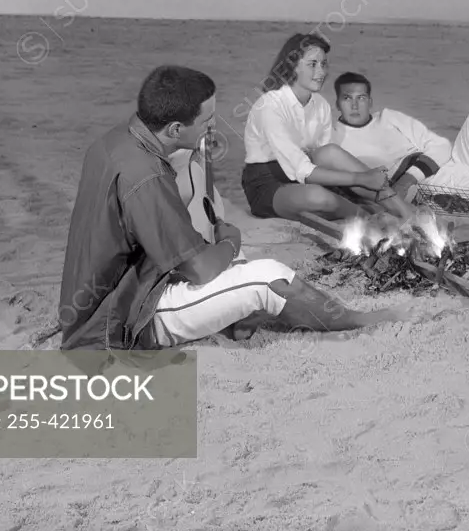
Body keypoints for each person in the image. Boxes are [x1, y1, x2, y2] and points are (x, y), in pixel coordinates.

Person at [58, 65, 410, 351]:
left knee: (229, 260)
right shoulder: (145, 177)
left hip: (122, 288)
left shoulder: (118, 140)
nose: (213, 126)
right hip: (126, 317)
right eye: (206, 120)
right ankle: (352, 321)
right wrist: (230, 240)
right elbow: (198, 270)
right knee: (268, 277)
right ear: (176, 127)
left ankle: (237, 319)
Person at [241, 34, 415, 226]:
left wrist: (361, 180)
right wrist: (361, 178)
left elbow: (325, 160)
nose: (321, 71)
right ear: (292, 66)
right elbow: (303, 170)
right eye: (312, 64)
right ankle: (366, 217)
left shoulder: (320, 105)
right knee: (318, 197)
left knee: (330, 153)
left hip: (307, 175)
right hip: (267, 182)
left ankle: (404, 212)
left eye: (324, 64)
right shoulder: (270, 105)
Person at [330, 71, 469, 215]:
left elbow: (440, 146)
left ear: (370, 101)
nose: (355, 105)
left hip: (444, 165)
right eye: (347, 98)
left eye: (361, 98)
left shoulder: (390, 117)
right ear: (337, 103)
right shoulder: (335, 139)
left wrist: (409, 178)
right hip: (430, 186)